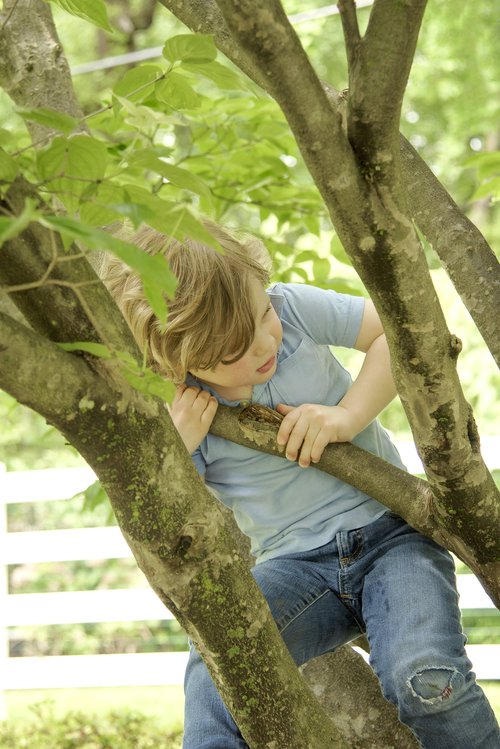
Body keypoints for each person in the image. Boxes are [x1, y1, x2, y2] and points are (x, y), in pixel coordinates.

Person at [102, 222, 500, 749]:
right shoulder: (179, 406)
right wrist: (177, 450)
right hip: (295, 567)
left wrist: (347, 415)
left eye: (261, 315)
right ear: (181, 360)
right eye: (234, 350)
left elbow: (395, 334)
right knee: (219, 660)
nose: (265, 341)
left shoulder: (290, 310)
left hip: (394, 538)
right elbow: (173, 522)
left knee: (425, 677)